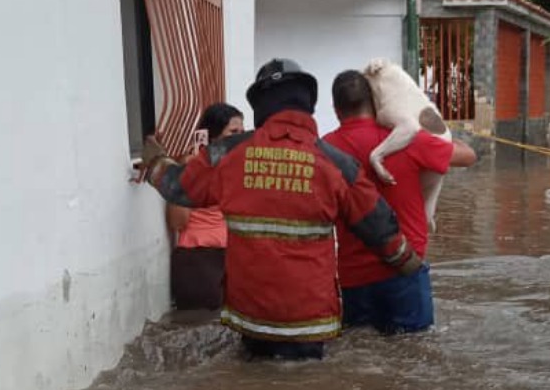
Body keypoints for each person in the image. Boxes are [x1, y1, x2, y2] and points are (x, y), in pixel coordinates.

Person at [142, 59, 424, 360]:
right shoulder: (335, 163)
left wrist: (154, 159)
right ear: (307, 103)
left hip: (251, 318)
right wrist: (408, 263)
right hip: (310, 320)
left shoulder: (227, 154)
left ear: (261, 106)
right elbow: (378, 225)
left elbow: (177, 186)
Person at [323, 70, 477, 333]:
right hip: (405, 268)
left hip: (353, 277)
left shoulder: (325, 150)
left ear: (336, 110)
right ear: (374, 103)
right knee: (414, 353)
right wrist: (443, 133)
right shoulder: (408, 140)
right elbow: (468, 156)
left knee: (361, 354)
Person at [166, 103, 244, 312]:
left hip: (232, 255)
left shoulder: (237, 168)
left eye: (242, 133)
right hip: (199, 259)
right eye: (233, 132)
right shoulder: (193, 167)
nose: (239, 138)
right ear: (212, 136)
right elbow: (177, 222)